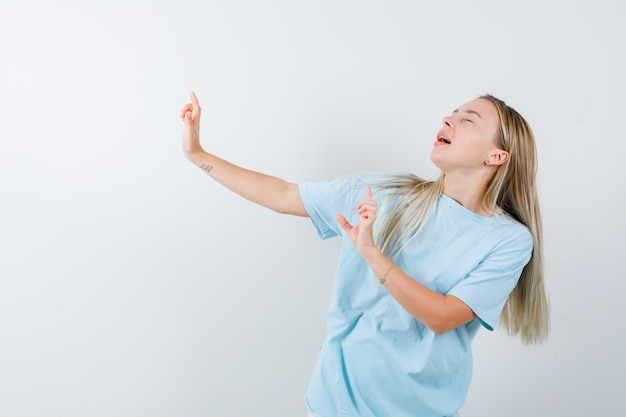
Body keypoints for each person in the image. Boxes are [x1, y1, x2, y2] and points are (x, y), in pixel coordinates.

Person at [179, 92, 549, 417]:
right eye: (452, 112)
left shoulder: (508, 240)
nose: (448, 119)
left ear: (497, 155)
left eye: (469, 120)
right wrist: (198, 156)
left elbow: (442, 316)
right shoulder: (385, 191)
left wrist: (373, 254)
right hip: (336, 403)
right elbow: (283, 195)